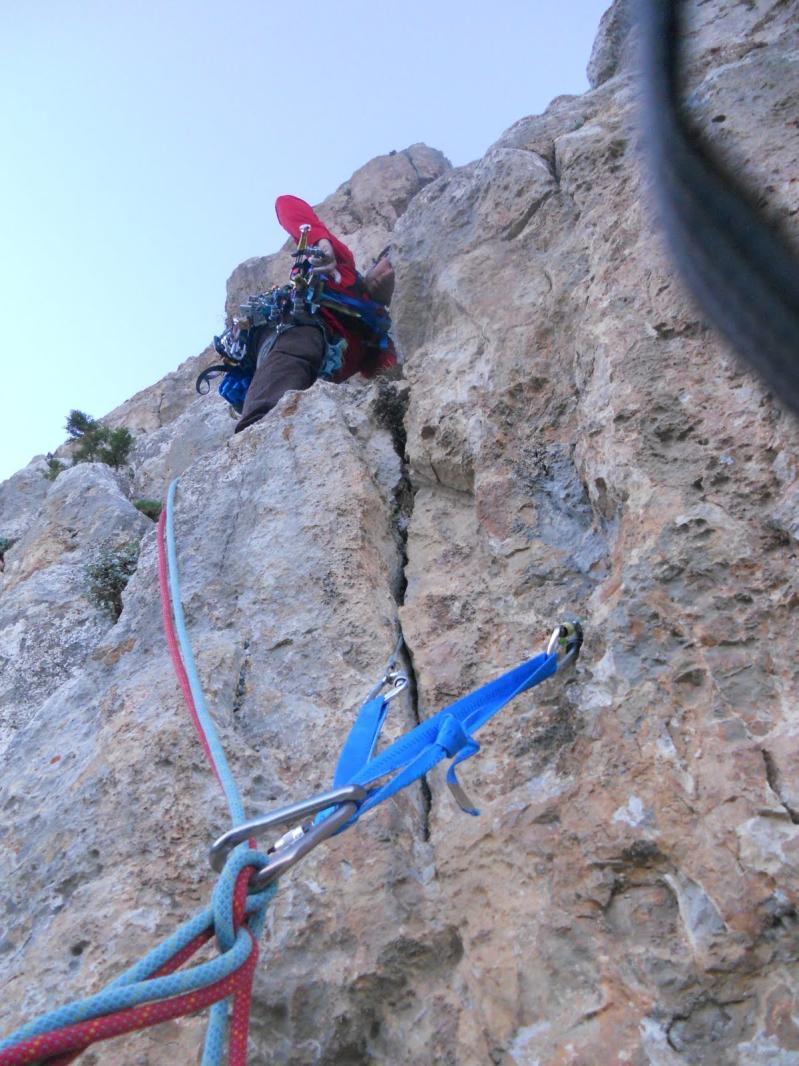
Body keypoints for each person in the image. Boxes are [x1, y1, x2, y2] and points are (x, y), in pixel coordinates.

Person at [234, 196, 397, 433]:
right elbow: (286, 204)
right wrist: (320, 240)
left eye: (399, 273)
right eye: (389, 262)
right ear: (376, 261)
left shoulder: (379, 340)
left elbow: (390, 375)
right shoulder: (343, 268)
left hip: (312, 382)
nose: (390, 273)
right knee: (306, 341)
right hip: (289, 336)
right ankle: (258, 428)